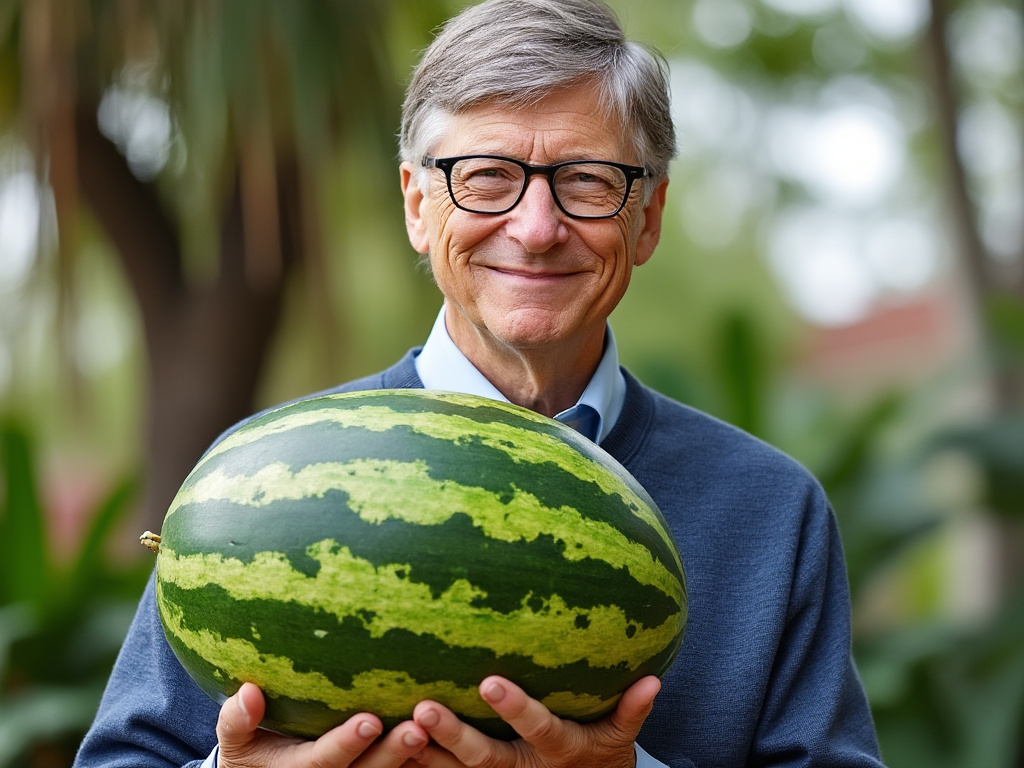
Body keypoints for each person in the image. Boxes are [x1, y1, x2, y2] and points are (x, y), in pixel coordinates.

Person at [74, 1, 887, 766]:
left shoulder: (772, 511)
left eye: (587, 179)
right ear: (417, 206)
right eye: (488, 175)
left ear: (647, 217)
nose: (536, 228)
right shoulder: (255, 486)